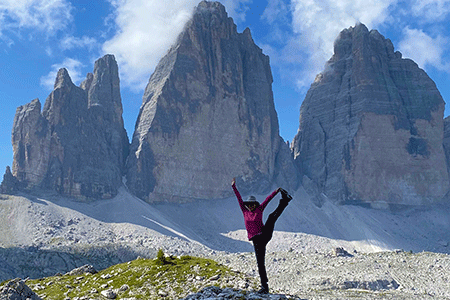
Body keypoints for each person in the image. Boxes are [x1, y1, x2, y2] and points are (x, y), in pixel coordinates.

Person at [231, 177, 292, 294]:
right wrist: (234, 186)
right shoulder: (245, 211)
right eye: (248, 205)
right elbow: (238, 198)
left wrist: (276, 191)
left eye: (252, 204)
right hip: (256, 241)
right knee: (260, 263)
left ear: (255, 204)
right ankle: (265, 287)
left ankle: (285, 200)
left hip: (263, 234)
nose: (250, 206)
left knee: (271, 217)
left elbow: (267, 200)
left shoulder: (259, 209)